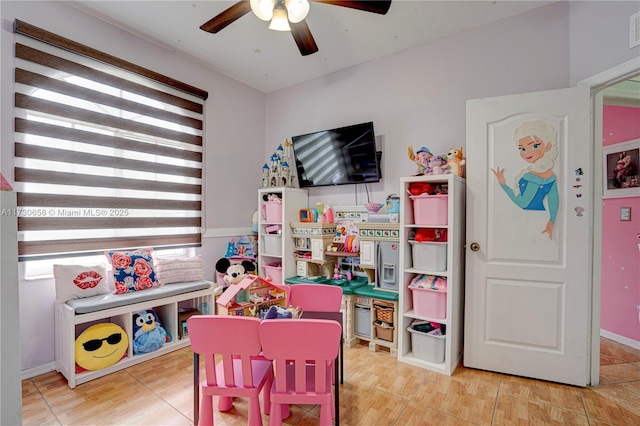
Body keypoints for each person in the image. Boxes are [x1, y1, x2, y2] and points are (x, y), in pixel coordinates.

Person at [491, 120, 559, 240]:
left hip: (524, 220)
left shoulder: (534, 175)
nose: (527, 153)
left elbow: (523, 202)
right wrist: (552, 220)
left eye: (535, 146)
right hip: (537, 219)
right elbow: (554, 198)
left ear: (548, 146)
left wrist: (503, 184)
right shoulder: (550, 174)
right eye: (522, 149)